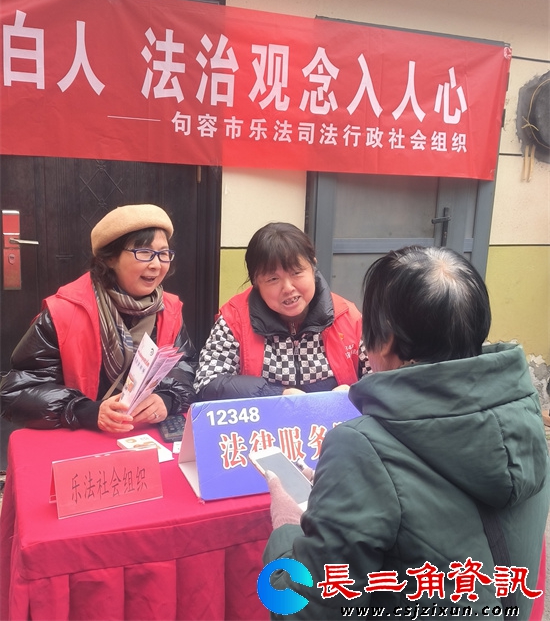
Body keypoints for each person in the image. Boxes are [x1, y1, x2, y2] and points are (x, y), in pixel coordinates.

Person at [263, 245, 549, 619]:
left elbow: (299, 609)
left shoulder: (358, 447)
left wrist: (286, 528)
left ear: (384, 340)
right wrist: (344, 487)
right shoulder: (523, 414)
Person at [0, 204, 197, 433]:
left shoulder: (168, 310)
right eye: (144, 252)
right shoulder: (64, 312)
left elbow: (185, 367)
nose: (156, 264)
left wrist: (168, 399)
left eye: (163, 254)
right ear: (110, 258)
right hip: (81, 437)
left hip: (143, 435)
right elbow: (18, 390)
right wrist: (85, 411)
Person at [194, 222, 369, 400]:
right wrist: (276, 394)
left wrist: (354, 392)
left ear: (313, 266)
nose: (288, 288)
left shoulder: (347, 317)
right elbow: (207, 382)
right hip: (263, 418)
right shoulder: (234, 320)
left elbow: (381, 377)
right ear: (255, 282)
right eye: (273, 279)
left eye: (296, 272)